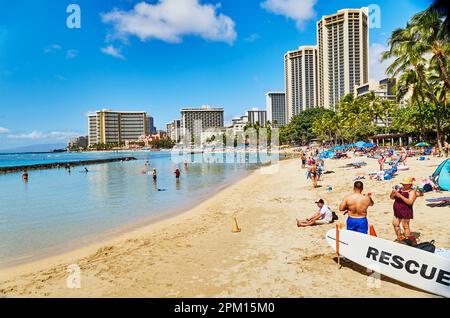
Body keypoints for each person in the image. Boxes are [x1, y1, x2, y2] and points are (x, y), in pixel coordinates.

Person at [390, 177, 417, 241]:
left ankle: (408, 240)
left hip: (406, 209)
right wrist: (393, 193)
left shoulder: (412, 191)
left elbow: (410, 202)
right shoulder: (400, 189)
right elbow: (391, 198)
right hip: (397, 209)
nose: (403, 185)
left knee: (405, 225)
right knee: (395, 224)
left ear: (410, 185)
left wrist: (400, 196)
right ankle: (399, 238)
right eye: (403, 184)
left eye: (405, 184)